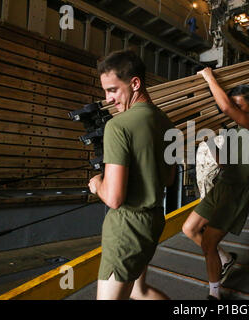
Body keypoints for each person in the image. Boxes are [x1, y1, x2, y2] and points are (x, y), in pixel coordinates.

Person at [88, 50, 175, 300]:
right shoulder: (167, 122)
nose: (108, 98)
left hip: (127, 229)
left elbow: (114, 198)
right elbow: (168, 178)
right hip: (153, 221)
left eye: (113, 90)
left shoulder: (118, 126)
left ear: (135, 83)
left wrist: (98, 183)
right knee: (141, 291)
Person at [182, 67, 249, 300]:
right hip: (223, 185)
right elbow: (224, 163)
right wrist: (207, 143)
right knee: (189, 229)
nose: (234, 111)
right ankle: (225, 259)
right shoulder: (237, 131)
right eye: (235, 106)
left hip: (236, 191)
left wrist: (209, 77)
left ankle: (214, 294)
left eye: (240, 106)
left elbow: (226, 107)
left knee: (208, 244)